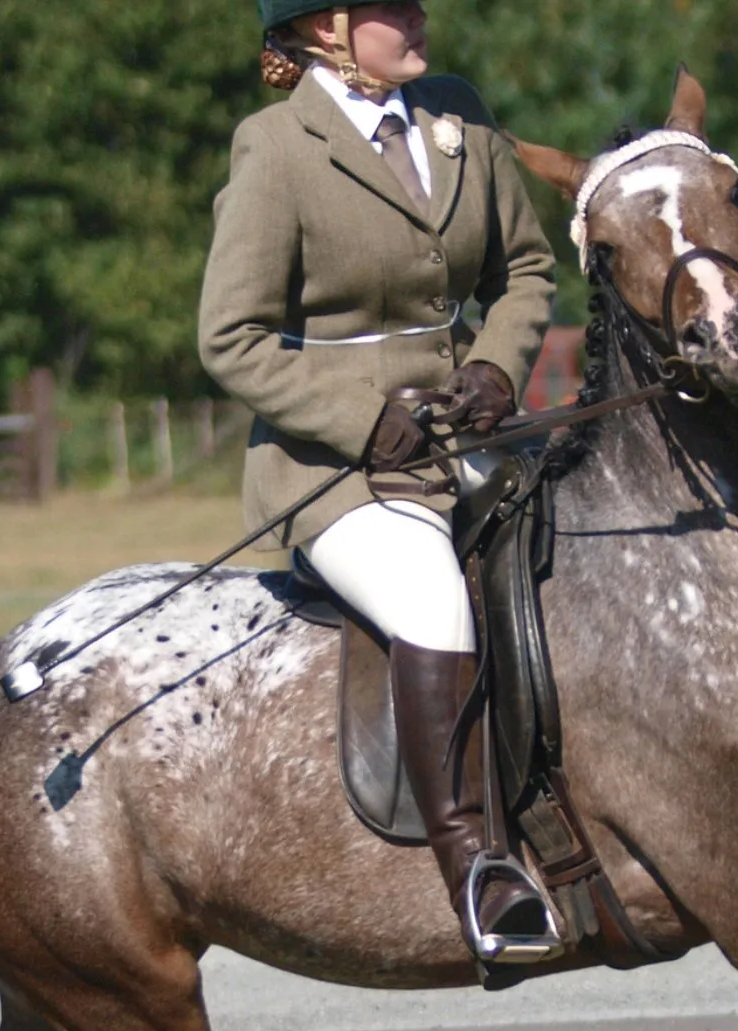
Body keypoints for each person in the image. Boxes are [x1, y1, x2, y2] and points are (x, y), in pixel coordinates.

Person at [200, 1, 559, 959]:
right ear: (325, 29)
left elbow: (526, 269)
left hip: (469, 432)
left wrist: (496, 364)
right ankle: (476, 869)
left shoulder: (458, 114)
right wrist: (362, 419)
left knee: (580, 550)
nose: (418, 17)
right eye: (391, 7)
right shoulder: (276, 148)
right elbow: (227, 337)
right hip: (339, 469)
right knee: (432, 598)